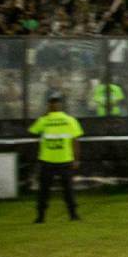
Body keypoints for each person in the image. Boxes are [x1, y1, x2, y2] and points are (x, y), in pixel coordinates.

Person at [28, 92, 83, 223]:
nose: (55, 104)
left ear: (49, 105)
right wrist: (76, 159)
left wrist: (44, 115)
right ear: (60, 105)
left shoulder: (44, 120)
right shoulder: (69, 120)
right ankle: (73, 214)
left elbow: (32, 131)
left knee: (44, 190)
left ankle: (41, 216)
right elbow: (75, 141)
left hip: (48, 160)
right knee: (67, 190)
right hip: (63, 160)